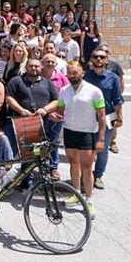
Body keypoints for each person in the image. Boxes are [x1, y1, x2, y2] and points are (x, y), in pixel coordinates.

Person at [53, 62, 106, 219]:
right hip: (70, 132)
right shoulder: (64, 91)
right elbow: (60, 112)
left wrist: (101, 139)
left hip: (87, 133)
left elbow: (102, 117)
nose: (72, 75)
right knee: (73, 165)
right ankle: (76, 193)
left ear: (82, 73)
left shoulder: (94, 91)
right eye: (69, 73)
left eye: (75, 72)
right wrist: (54, 116)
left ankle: (88, 200)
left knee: (87, 168)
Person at [4, 57, 58, 159]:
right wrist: (21, 110)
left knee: (35, 154)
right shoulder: (16, 81)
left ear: (41, 67)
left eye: (36, 66)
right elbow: (8, 97)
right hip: (18, 124)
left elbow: (56, 100)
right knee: (15, 153)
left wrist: (45, 110)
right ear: (26, 67)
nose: (33, 68)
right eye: (31, 66)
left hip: (39, 126)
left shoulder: (47, 83)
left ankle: (31, 173)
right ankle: (16, 174)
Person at [85, 48, 123, 190]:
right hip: (89, 118)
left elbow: (118, 99)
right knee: (88, 147)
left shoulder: (113, 78)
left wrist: (119, 118)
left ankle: (98, 175)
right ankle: (86, 174)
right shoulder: (86, 77)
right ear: (92, 60)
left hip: (107, 117)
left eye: (102, 57)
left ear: (106, 60)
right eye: (96, 56)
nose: (99, 59)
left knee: (103, 148)